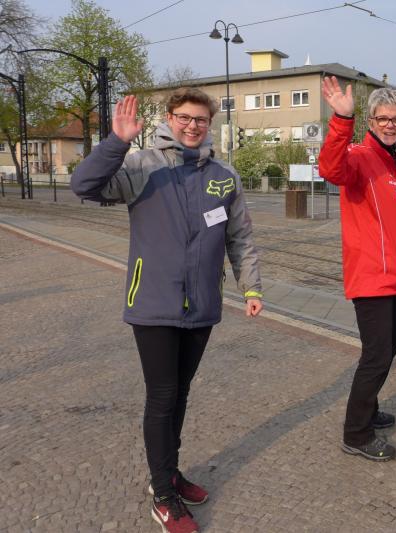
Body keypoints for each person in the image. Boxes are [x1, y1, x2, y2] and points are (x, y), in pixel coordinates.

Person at [71, 89, 263, 533]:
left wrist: (251, 286)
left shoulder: (224, 176)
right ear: (169, 118)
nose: (192, 125)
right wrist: (117, 142)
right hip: (153, 303)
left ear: (210, 123)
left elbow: (240, 238)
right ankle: (162, 495)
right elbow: (84, 186)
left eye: (200, 119)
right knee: (162, 396)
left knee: (180, 393)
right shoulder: (142, 165)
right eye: (184, 117)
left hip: (202, 304)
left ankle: (169, 472)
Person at [318, 76, 396, 462]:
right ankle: (356, 433)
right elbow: (331, 169)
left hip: (393, 275)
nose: (390, 124)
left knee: (388, 347)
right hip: (371, 274)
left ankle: (369, 410)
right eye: (383, 118)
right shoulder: (359, 157)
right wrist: (342, 120)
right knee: (376, 355)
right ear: (371, 121)